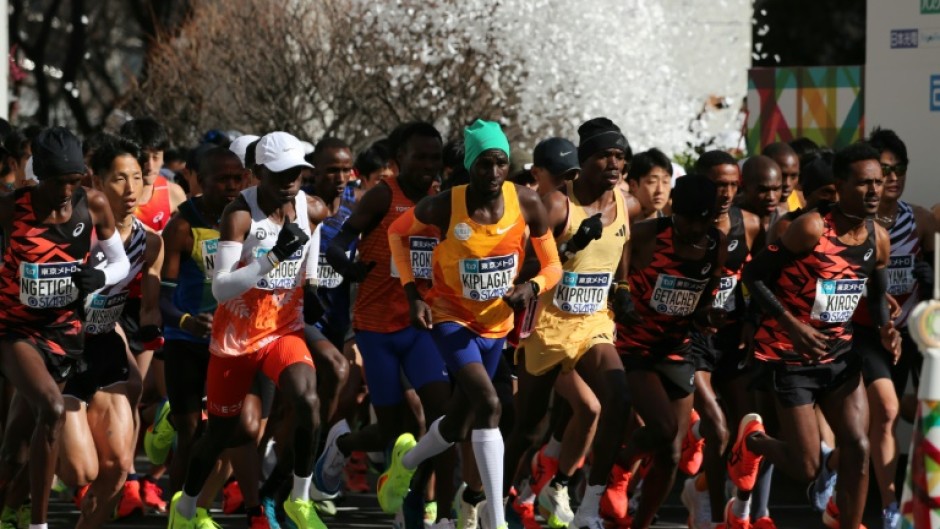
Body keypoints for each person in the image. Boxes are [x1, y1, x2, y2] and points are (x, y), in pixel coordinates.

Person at [382, 119, 562, 529]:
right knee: (491, 404)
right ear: (470, 165)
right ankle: (494, 520)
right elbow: (396, 232)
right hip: (451, 320)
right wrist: (413, 295)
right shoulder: (446, 205)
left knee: (459, 423)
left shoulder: (528, 204)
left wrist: (530, 287)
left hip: (496, 327)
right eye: (484, 164)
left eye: (501, 163)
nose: (494, 173)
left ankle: (404, 463)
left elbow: (553, 266)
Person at [167, 132, 329, 529]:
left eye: (298, 172)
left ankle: (300, 500)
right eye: (281, 174)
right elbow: (222, 288)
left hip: (282, 331)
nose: (291, 181)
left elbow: (314, 228)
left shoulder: (311, 206)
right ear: (257, 174)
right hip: (235, 340)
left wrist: (311, 279)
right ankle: (185, 506)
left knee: (308, 400)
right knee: (220, 433)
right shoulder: (240, 215)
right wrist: (273, 259)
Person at [737, 142, 900, 529]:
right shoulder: (811, 228)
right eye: (863, 184)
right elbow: (754, 276)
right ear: (840, 186)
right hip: (789, 355)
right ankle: (753, 442)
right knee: (808, 467)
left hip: (839, 357)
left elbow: (876, 295)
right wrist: (793, 325)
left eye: (878, 182)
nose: (874, 191)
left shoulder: (877, 238)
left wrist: (885, 328)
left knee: (858, 447)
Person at [315, 121, 454, 522]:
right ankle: (342, 445)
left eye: (434, 158)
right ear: (396, 161)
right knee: (391, 431)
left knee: (442, 420)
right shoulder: (382, 196)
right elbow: (342, 242)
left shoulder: (440, 201)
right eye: (419, 157)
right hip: (376, 329)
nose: (428, 165)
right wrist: (347, 266)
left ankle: (428, 509)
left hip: (419, 327)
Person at [503, 117, 631, 529]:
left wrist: (624, 289)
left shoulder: (624, 200)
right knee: (527, 427)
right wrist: (572, 244)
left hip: (591, 322)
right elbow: (523, 268)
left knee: (617, 397)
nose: (614, 164)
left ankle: (588, 504)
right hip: (546, 323)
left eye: (620, 156)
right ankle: (489, 496)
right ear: (585, 159)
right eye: (604, 156)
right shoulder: (558, 204)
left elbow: (622, 244)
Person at [0, 127, 128, 529]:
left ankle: (8, 508)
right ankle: (39, 524)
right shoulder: (10, 207)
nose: (66, 190)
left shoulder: (92, 204)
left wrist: (100, 277)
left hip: (66, 334)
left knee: (16, 447)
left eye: (74, 181)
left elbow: (119, 262)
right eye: (58, 182)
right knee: (53, 410)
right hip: (15, 331)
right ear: (39, 174)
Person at [58, 134, 165, 527]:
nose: (131, 189)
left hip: (104, 346)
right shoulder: (73, 229)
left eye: (137, 178)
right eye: (120, 179)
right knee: (77, 472)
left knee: (118, 467)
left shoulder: (150, 243)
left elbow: (150, 310)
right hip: (61, 354)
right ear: (97, 181)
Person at [614, 174, 726, 529]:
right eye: (688, 219)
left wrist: (710, 315)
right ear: (674, 206)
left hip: (677, 347)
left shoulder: (715, 244)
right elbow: (615, 272)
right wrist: (622, 295)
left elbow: (705, 301)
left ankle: (641, 524)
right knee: (662, 428)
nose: (695, 228)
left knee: (673, 451)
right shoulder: (647, 234)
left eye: (703, 221)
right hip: (634, 346)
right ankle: (621, 463)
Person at [847, 128, 936, 529]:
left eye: (900, 169)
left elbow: (934, 279)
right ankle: (889, 508)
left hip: (918, 335)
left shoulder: (919, 219)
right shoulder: (857, 227)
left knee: (920, 413)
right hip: (870, 334)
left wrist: (928, 275)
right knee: (885, 413)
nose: (894, 177)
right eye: (886, 170)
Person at [157, 147, 251, 497]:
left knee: (231, 431)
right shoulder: (182, 226)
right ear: (201, 181)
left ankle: (197, 505)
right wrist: (186, 322)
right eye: (221, 179)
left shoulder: (249, 220)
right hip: (186, 341)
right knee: (191, 431)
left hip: (230, 342)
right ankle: (177, 515)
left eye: (236, 179)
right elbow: (162, 301)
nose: (230, 186)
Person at [682, 151, 761, 529]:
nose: (727, 192)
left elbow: (755, 280)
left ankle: (705, 491)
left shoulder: (749, 224)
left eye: (733, 185)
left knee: (748, 425)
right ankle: (714, 513)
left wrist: (750, 320)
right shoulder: (680, 226)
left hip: (730, 337)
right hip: (691, 338)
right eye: (718, 185)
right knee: (717, 426)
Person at [119, 118, 186, 233]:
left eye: (156, 157)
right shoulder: (112, 194)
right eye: (144, 157)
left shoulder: (174, 193)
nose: (150, 166)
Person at [736, 156, 783, 240]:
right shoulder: (730, 223)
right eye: (763, 190)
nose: (771, 197)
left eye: (776, 189)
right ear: (744, 187)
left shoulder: (784, 221)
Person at [626, 148, 673, 221]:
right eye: (652, 181)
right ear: (633, 185)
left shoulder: (670, 228)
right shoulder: (619, 224)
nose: (660, 190)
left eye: (665, 182)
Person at [763, 142, 802, 212]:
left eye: (793, 176)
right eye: (782, 175)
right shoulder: (742, 211)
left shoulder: (802, 201)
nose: (787, 183)